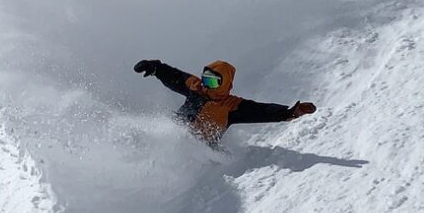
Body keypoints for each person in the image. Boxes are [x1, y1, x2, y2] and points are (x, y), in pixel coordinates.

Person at [134, 59, 316, 147]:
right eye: (205, 78)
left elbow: (262, 110)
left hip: (200, 146)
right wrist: (155, 68)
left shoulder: (232, 106)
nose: (206, 85)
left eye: (212, 82)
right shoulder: (195, 87)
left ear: (224, 85)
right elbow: (174, 76)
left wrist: (292, 112)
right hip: (173, 134)